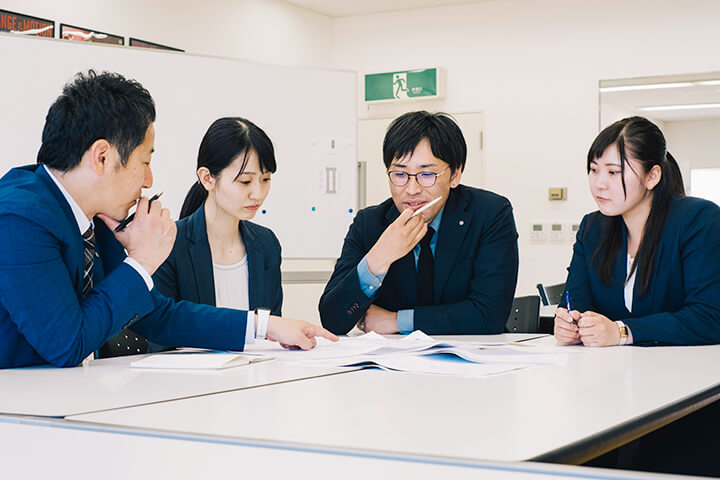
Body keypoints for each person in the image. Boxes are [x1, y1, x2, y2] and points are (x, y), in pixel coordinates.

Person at [0, 70, 336, 369]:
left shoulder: (94, 217)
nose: (148, 180)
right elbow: (66, 344)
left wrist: (267, 327)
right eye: (144, 162)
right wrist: (141, 262)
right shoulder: (20, 218)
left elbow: (158, 315)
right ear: (102, 157)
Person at [319, 111, 519, 335]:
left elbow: (488, 315)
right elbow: (332, 320)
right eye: (400, 174)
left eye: (426, 175)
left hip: (473, 359)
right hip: (393, 363)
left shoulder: (490, 214)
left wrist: (396, 321)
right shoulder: (369, 223)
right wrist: (379, 257)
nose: (412, 190)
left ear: (455, 174)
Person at [555, 116, 720, 346]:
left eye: (613, 172)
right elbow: (576, 303)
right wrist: (568, 324)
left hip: (684, 373)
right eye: (594, 170)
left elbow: (710, 317)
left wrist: (622, 331)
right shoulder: (592, 228)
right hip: (609, 372)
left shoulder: (698, 220)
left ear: (652, 176)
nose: (599, 183)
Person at [153, 117, 282, 317]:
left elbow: (273, 328)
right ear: (207, 178)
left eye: (265, 179)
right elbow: (162, 333)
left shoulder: (267, 244)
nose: (258, 193)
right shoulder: (168, 243)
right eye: (245, 181)